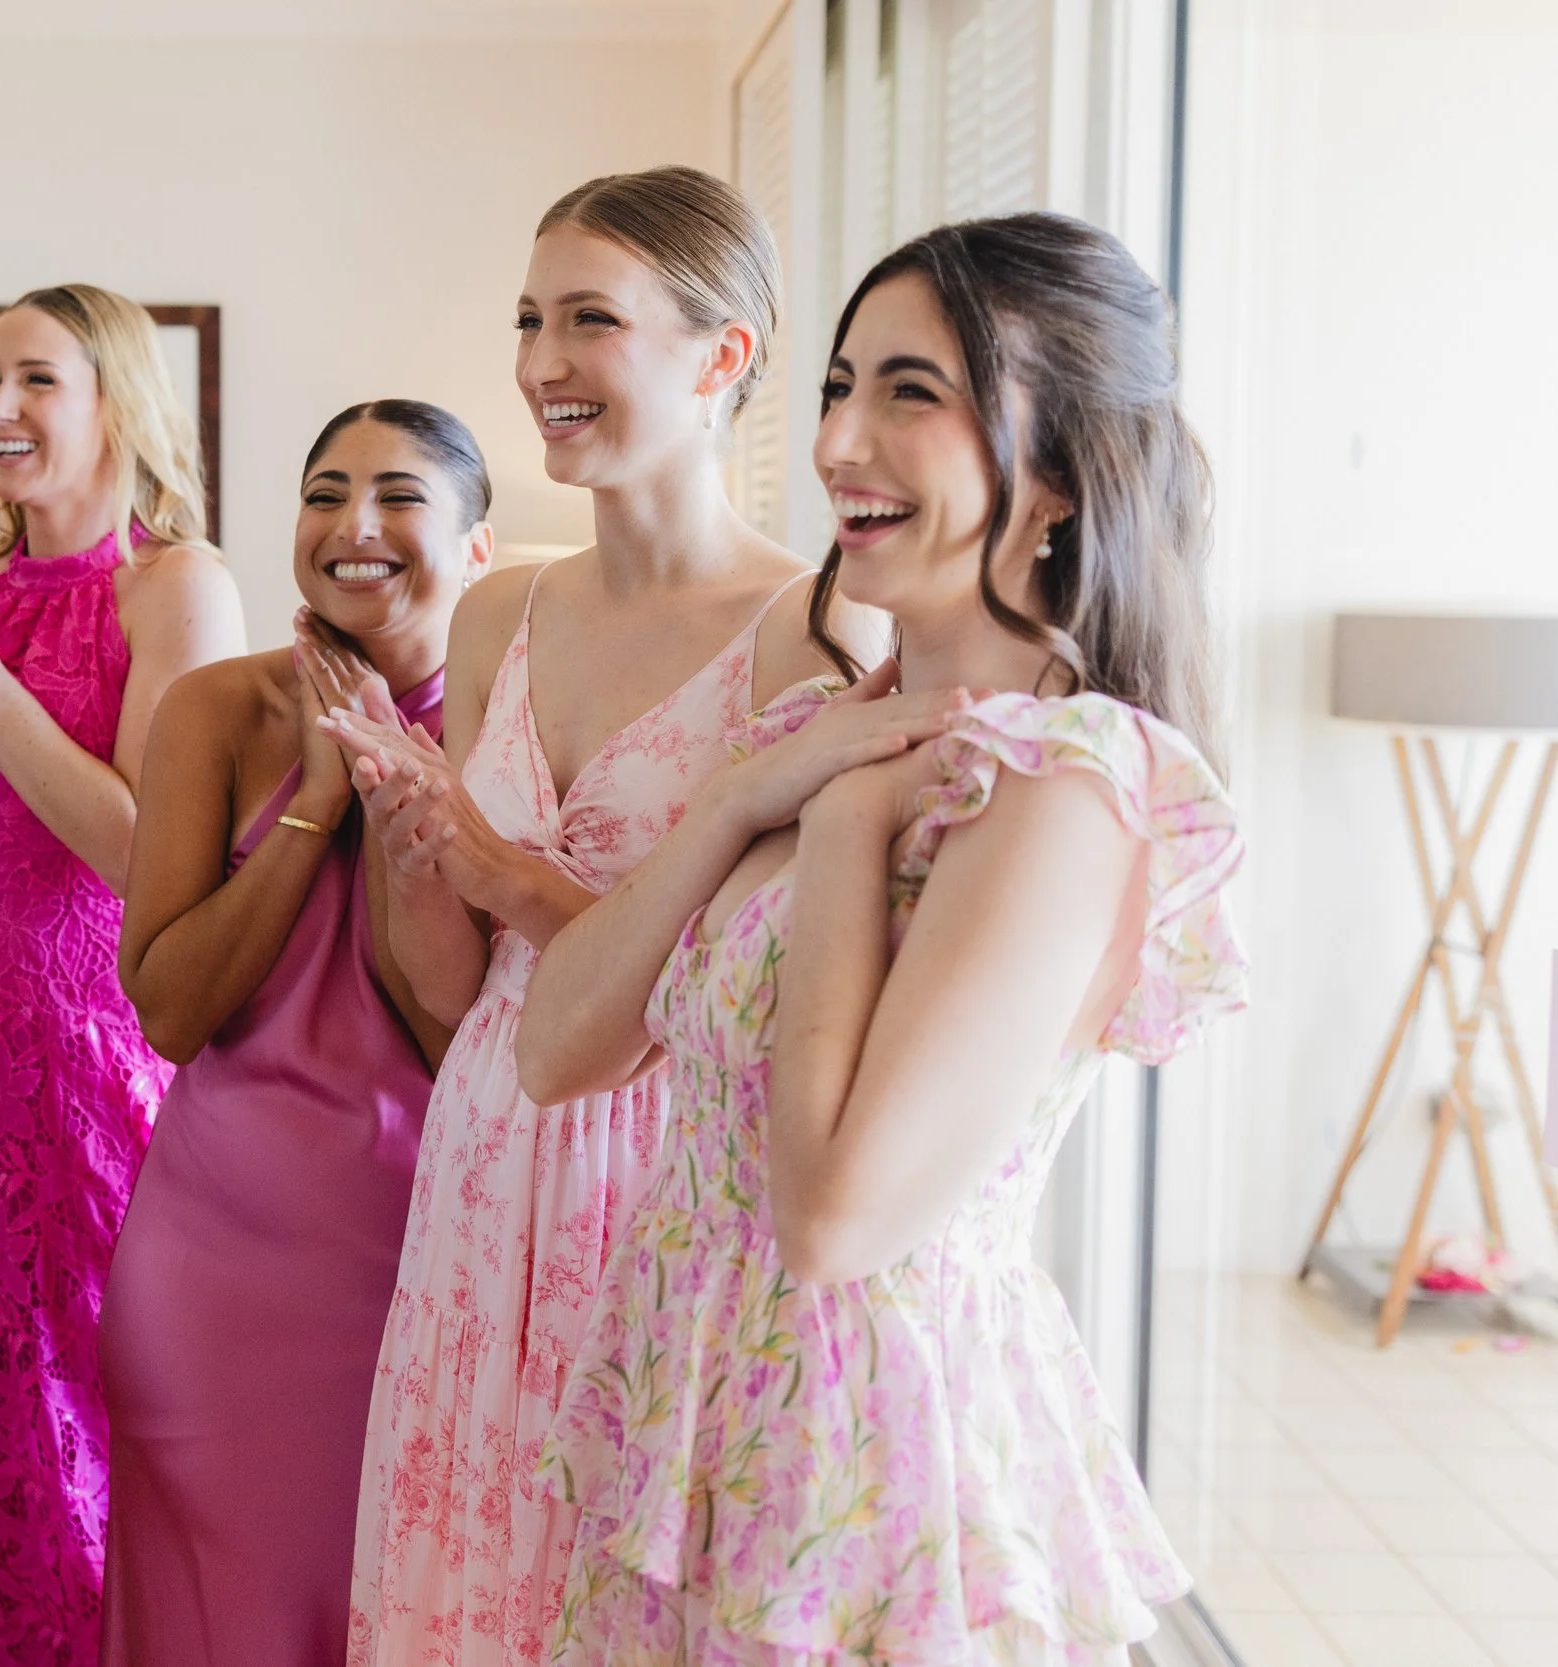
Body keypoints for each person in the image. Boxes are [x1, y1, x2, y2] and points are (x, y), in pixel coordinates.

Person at [533, 214, 1247, 1666]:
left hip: (866, 1470)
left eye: (911, 394)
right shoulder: (817, 731)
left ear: (1057, 475)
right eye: (839, 386)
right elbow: (557, 1048)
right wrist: (742, 795)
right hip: (700, 1419)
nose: (843, 440)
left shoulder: (1068, 779)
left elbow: (836, 1217)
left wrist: (849, 834)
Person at [314, 166, 936, 1667]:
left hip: (673, 1171)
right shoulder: (493, 613)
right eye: (531, 318)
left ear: (723, 357)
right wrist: (415, 856)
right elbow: (455, 992)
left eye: (590, 318)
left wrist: (511, 873)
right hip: (483, 1152)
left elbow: (774, 983)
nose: (540, 362)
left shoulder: (820, 624)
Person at [0, 283, 247, 1662]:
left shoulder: (177, 585)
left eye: (35, 381)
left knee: (96, 1411)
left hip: (94, 1055)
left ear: (117, 401)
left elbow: (145, 845)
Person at [100, 401, 495, 1666]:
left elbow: (457, 1034)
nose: (352, 526)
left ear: (476, 546)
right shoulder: (217, 710)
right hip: (214, 1265)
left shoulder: (511, 727)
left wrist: (390, 782)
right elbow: (167, 1007)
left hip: (421, 1255)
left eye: (398, 496)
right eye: (324, 492)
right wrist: (313, 807)